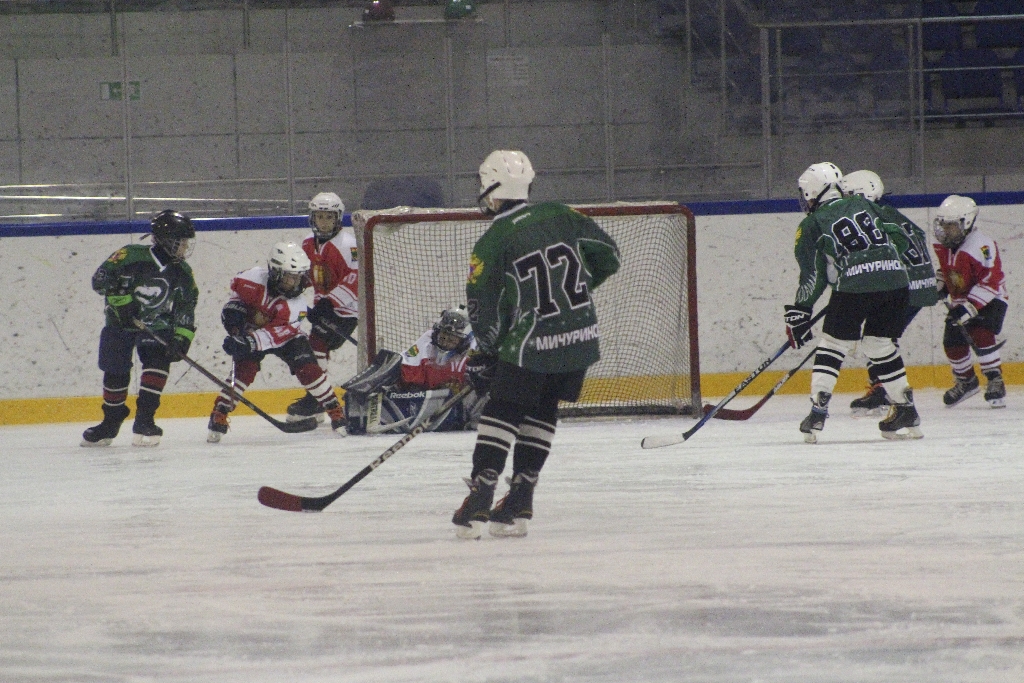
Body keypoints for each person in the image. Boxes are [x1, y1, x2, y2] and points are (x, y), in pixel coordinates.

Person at [451, 149, 621, 539]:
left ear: (492, 189)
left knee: (503, 410)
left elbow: (483, 308)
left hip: (531, 343)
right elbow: (609, 257)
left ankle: (478, 501)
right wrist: (568, 296)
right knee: (543, 408)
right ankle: (519, 503)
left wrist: (486, 353)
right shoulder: (562, 215)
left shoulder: (493, 241)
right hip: (579, 335)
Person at [784, 162, 922, 443]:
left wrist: (801, 310)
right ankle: (907, 410)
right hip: (896, 282)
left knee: (833, 344)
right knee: (879, 344)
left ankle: (818, 411)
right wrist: (877, 263)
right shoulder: (865, 204)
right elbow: (902, 238)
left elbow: (813, 276)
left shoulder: (811, 224)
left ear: (812, 192)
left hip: (855, 288)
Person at [206, 242, 346, 442]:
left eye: (299, 277)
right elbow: (236, 298)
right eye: (290, 277)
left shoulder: (296, 306)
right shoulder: (250, 279)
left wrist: (247, 342)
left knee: (308, 368)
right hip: (252, 331)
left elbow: (273, 336)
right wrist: (234, 320)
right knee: (244, 370)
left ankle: (334, 409)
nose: (296, 283)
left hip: (287, 337)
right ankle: (220, 410)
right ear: (275, 273)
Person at [81, 210, 198, 447]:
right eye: (182, 242)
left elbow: (186, 307)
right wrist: (122, 302)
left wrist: (182, 338)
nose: (185, 247)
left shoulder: (183, 273)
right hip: (119, 323)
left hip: (158, 325)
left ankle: (145, 419)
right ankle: (112, 419)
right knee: (115, 370)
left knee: (158, 361)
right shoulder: (130, 255)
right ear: (167, 240)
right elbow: (100, 280)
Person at [839, 170, 941, 416]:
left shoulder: (872, 217)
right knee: (880, 335)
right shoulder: (889, 213)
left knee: (878, 336)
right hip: (918, 283)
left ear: (861, 195)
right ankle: (885, 388)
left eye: (847, 196)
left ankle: (884, 391)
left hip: (904, 284)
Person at [342, 306, 484, 434]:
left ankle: (473, 423)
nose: (445, 342)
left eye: (452, 340)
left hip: (460, 409)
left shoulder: (474, 349)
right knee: (391, 361)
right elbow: (405, 364)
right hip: (430, 398)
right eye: (443, 336)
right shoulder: (428, 340)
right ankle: (363, 404)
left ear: (465, 341)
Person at [285, 192, 359, 424]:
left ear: (338, 218)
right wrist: (294, 287)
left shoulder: (348, 245)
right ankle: (318, 401)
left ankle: (317, 399)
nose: (324, 222)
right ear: (312, 218)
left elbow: (355, 279)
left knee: (316, 344)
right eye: (319, 216)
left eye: (329, 217)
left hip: (348, 310)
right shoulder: (308, 243)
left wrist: (330, 302)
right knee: (313, 346)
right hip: (323, 307)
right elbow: (307, 274)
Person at [932, 194, 1008, 408]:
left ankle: (994, 379)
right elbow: (947, 269)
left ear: (966, 223)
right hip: (961, 299)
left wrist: (969, 307)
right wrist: (941, 285)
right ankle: (967, 381)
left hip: (991, 297)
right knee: (952, 342)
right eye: (943, 225)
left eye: (951, 225)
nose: (945, 230)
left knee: (982, 333)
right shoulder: (944, 244)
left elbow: (990, 281)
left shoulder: (982, 245)